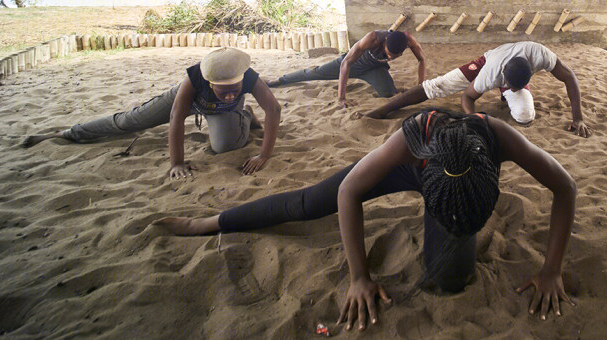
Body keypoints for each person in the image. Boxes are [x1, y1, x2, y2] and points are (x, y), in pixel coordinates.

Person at [155, 108, 577, 329]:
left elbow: (565, 188)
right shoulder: (409, 140)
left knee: (449, 278)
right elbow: (348, 192)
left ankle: (459, 212)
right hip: (419, 166)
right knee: (307, 203)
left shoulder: (501, 137)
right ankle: (210, 222)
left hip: (460, 177)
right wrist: (358, 276)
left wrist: (552, 269)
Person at [20, 48, 281, 178]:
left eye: (235, 89)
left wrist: (263, 155)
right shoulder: (193, 79)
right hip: (190, 101)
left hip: (223, 112)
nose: (230, 93)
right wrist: (177, 163)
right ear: (209, 81)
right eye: (223, 90)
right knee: (129, 121)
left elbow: (274, 109)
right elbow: (176, 118)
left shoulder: (248, 78)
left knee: (224, 146)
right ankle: (71, 132)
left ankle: (244, 115)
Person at [365, 41, 590, 137]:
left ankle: (512, 95)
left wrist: (578, 118)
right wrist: (473, 120)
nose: (509, 88)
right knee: (438, 85)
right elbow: (467, 96)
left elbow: (570, 78)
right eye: (508, 87)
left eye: (512, 88)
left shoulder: (542, 55)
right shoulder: (491, 73)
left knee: (525, 116)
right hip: (489, 61)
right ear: (503, 80)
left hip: (514, 68)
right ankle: (384, 109)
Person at [268, 29, 426, 108]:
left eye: (395, 57)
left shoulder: (408, 40)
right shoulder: (373, 38)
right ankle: (281, 80)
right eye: (389, 54)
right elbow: (346, 64)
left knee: (388, 92)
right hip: (353, 63)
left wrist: (420, 84)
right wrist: (341, 98)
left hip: (374, 69)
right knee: (315, 72)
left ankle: (381, 83)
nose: (391, 58)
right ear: (384, 43)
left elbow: (422, 60)